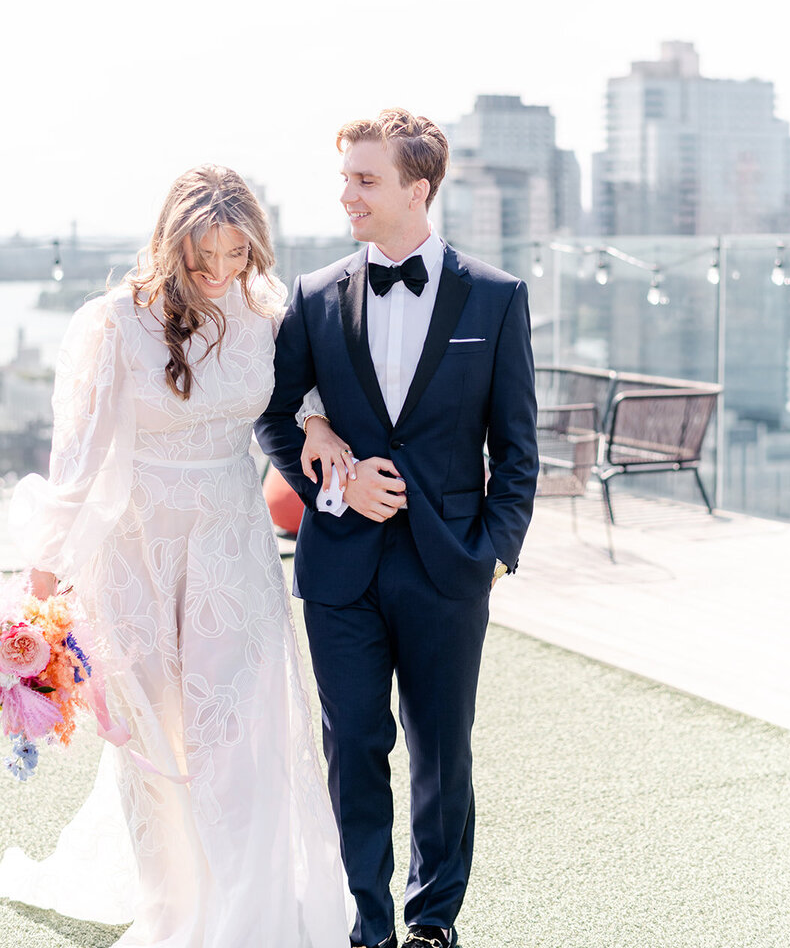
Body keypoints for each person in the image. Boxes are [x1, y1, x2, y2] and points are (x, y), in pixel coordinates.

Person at [0, 166, 354, 947]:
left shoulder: (267, 313)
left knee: (240, 735)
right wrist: (40, 592)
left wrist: (320, 424)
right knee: (157, 747)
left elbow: (303, 394)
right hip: (135, 551)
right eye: (205, 258)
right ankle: (178, 913)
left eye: (238, 254)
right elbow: (78, 463)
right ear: (171, 245)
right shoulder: (112, 324)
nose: (223, 272)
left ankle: (249, 915)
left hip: (232, 544)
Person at [256, 109, 538, 948]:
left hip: (448, 568)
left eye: (365, 179)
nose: (347, 194)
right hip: (340, 567)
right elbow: (275, 416)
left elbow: (518, 450)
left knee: (442, 754)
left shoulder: (496, 297)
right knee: (354, 749)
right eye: (344, 177)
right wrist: (333, 470)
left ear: (418, 189)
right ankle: (366, 924)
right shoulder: (312, 296)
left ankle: (432, 922)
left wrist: (491, 555)